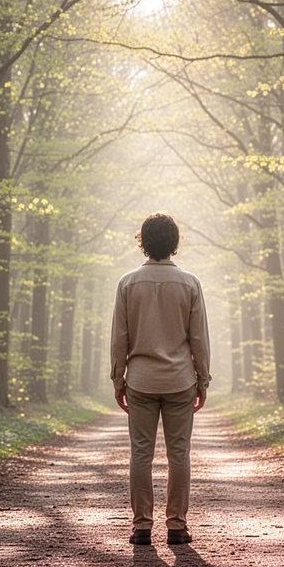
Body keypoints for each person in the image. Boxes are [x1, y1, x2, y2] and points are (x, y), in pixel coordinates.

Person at [110, 212, 211, 546]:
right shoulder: (190, 283)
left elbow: (119, 338)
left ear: (143, 242)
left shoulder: (127, 283)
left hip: (140, 380)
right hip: (180, 380)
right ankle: (176, 526)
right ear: (174, 243)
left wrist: (118, 378)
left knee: (140, 454)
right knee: (179, 454)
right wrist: (202, 379)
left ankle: (141, 527)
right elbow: (199, 339)